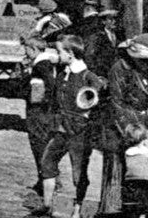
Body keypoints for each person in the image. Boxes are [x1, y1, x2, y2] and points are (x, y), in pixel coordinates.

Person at [95, 33, 148, 218]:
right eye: (146, 61)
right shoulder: (119, 70)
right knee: (117, 175)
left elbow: (141, 106)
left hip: (138, 129)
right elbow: (118, 105)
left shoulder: (140, 70)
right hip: (121, 131)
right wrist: (134, 134)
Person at [36, 34, 102, 218]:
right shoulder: (63, 72)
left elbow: (96, 99)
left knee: (78, 173)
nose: (57, 55)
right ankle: (47, 206)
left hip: (80, 132)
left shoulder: (88, 76)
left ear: (71, 53)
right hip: (61, 128)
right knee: (47, 163)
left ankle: (77, 211)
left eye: (60, 51)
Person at [23, 36, 59, 196]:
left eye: (26, 49)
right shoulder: (48, 63)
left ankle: (46, 181)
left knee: (38, 144)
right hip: (45, 112)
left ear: (33, 49)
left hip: (38, 112)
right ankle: (43, 180)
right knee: (43, 145)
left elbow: (46, 88)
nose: (25, 52)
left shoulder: (40, 65)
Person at [84, 9, 121, 77]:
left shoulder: (119, 35)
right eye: (110, 19)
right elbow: (89, 57)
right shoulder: (97, 37)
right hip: (102, 74)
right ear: (103, 21)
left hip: (116, 73)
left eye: (115, 19)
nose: (114, 22)